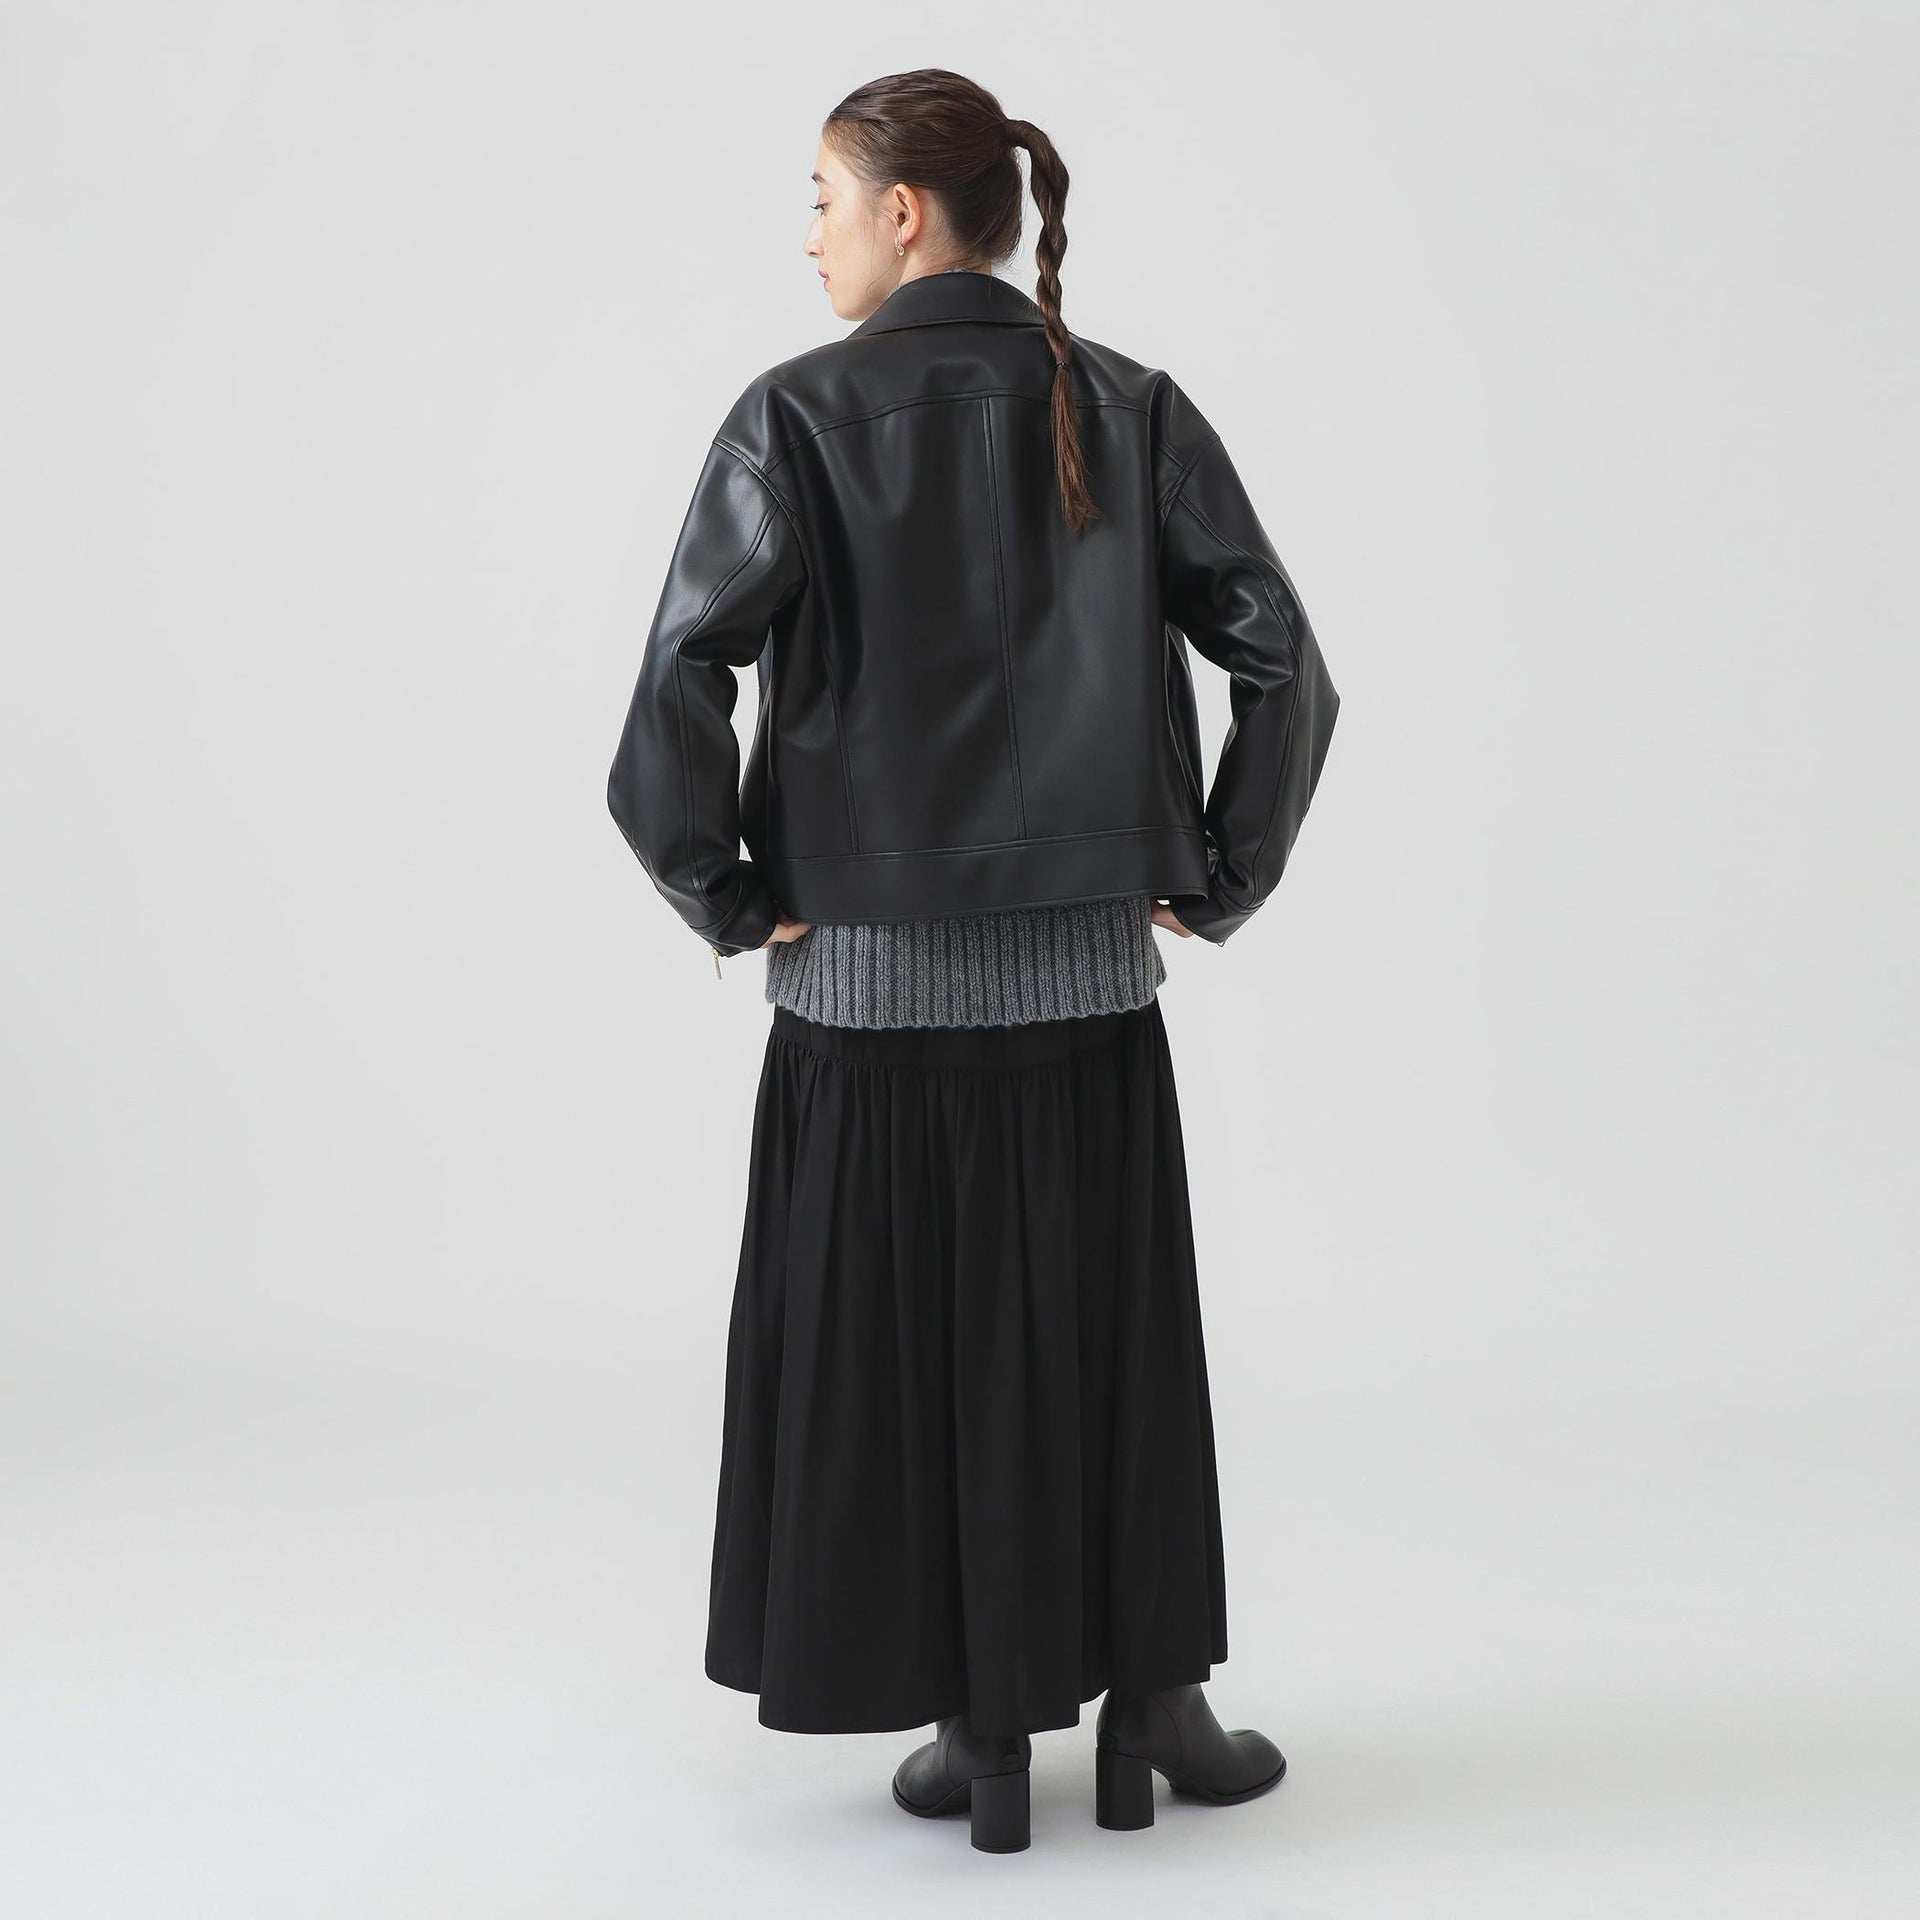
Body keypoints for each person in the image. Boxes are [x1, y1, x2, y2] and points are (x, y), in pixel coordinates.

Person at [606, 67, 1340, 1853]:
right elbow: (1285, 666)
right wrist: (1219, 873)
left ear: (903, 212)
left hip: (864, 1003)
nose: (810, 237)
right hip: (1088, 994)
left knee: (903, 1359)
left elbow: (680, 679)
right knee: (1113, 1345)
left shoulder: (795, 417)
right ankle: (1154, 1708)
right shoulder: (1130, 404)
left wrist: (727, 893)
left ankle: (978, 1727)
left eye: (822, 200)